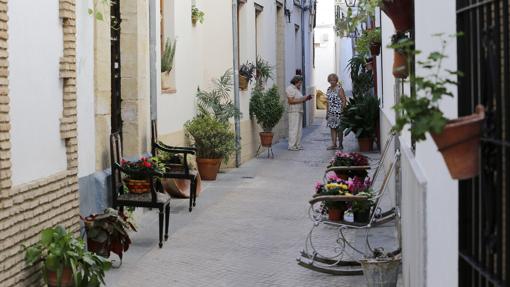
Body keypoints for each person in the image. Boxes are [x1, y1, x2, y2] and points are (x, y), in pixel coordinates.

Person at [286, 75, 312, 151]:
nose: (300, 84)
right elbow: (291, 101)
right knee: (293, 129)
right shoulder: (290, 88)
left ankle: (297, 144)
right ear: (296, 81)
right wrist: (303, 99)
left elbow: (298, 99)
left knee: (298, 129)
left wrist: (306, 98)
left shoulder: (296, 89)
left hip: (299, 110)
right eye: (299, 83)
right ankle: (291, 145)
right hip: (293, 111)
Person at [325, 73, 347, 150]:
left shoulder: (339, 89)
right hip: (331, 112)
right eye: (330, 80)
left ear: (336, 80)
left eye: (333, 80)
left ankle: (340, 144)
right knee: (332, 128)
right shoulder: (328, 89)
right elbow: (327, 102)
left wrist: (342, 110)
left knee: (339, 129)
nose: (332, 81)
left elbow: (344, 100)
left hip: (338, 112)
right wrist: (327, 112)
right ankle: (334, 144)